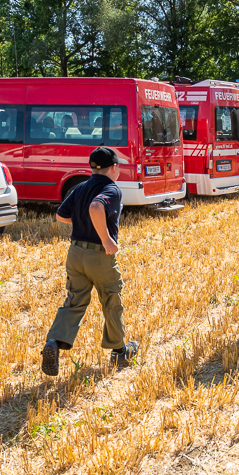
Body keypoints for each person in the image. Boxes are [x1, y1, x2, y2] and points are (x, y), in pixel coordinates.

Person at [41, 146, 137, 376]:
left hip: (75, 253)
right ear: (113, 167)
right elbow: (96, 207)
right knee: (111, 298)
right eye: (118, 167)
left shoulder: (80, 187)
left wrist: (83, 221)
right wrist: (106, 239)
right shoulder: (111, 189)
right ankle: (119, 351)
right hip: (98, 255)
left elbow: (61, 215)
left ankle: (55, 342)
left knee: (74, 300)